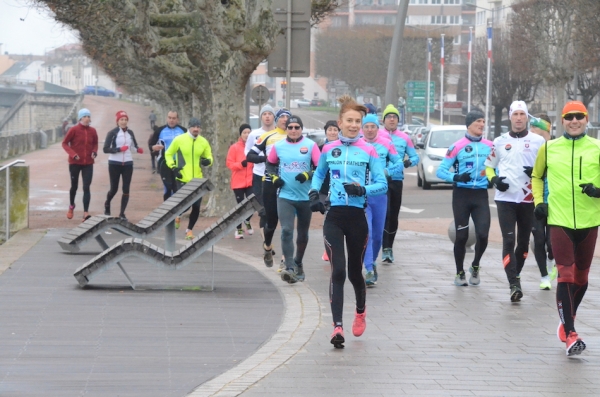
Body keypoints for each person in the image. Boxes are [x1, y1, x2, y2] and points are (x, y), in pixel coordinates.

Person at [309, 95, 388, 348]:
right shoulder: (328, 149)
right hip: (334, 217)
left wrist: (363, 190)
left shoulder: (369, 150)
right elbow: (319, 174)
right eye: (350, 121)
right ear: (340, 122)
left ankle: (361, 311)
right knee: (338, 271)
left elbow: (382, 185)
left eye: (359, 121)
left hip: (357, 218)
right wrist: (314, 194)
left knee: (355, 272)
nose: (354, 125)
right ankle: (337, 327)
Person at [532, 100, 600, 356]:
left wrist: (598, 191)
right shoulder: (549, 148)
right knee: (566, 275)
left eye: (579, 116)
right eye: (569, 117)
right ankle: (571, 334)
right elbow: (537, 176)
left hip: (589, 221)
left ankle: (566, 320)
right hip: (559, 220)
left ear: (586, 119)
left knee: (582, 279)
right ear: (562, 121)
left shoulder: (597, 147)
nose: (574, 121)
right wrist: (540, 202)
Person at [484, 100, 545, 302]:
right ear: (510, 117)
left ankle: (516, 274)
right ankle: (513, 284)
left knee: (524, 244)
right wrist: (494, 180)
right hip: (506, 199)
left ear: (527, 117)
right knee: (508, 240)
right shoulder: (499, 141)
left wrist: (538, 172)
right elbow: (489, 166)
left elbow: (548, 168)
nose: (519, 118)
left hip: (529, 199)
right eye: (515, 114)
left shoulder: (538, 141)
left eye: (522, 114)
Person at [436, 110, 493, 286]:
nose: (482, 125)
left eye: (483, 121)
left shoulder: (490, 146)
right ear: (469, 124)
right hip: (462, 194)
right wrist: (457, 177)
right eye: (478, 121)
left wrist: (494, 178)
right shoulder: (457, 146)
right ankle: (459, 272)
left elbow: (497, 167)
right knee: (461, 236)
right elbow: (441, 171)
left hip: (481, 194)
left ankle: (475, 266)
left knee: (483, 235)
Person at [266, 115, 320, 283]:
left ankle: (298, 262)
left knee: (302, 234)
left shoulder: (311, 146)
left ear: (301, 129)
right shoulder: (279, 146)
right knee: (287, 230)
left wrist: (307, 174)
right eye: (290, 127)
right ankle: (289, 267)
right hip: (285, 196)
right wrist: (274, 178)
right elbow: (269, 164)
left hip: (305, 197)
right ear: (286, 129)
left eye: (297, 127)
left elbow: (320, 168)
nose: (294, 130)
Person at [361, 114, 402, 287]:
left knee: (377, 235)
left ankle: (373, 261)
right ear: (362, 129)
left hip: (379, 194)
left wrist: (386, 172)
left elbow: (398, 163)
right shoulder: (357, 145)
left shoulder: (386, 143)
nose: (370, 130)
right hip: (361, 194)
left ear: (378, 128)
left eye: (373, 126)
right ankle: (368, 268)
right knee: (367, 232)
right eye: (366, 127)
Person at [247, 108, 290, 268]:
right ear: (277, 120)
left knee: (288, 224)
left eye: (288, 117)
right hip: (269, 181)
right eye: (282, 117)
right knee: (271, 220)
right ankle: (267, 246)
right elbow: (249, 156)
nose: (285, 120)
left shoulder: (295, 136)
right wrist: (268, 159)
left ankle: (287, 261)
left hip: (289, 184)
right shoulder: (267, 136)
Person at [381, 104, 419, 264]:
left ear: (398, 120)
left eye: (394, 117)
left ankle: (389, 247)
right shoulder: (377, 135)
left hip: (396, 180)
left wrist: (409, 162)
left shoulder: (404, 138)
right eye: (388, 117)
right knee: (385, 213)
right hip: (380, 180)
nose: (391, 119)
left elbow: (415, 156)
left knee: (393, 215)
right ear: (383, 120)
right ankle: (383, 246)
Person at [165, 117, 213, 240]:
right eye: (194, 127)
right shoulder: (179, 140)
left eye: (198, 127)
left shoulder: (203, 142)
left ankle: (189, 230)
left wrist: (208, 161)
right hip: (182, 177)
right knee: (186, 204)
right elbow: (168, 153)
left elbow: (209, 156)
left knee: (196, 206)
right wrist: (173, 167)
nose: (196, 129)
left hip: (197, 179)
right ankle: (178, 215)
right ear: (189, 127)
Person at [529, 113, 557, 289]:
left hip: (555, 202)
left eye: (537, 131)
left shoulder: (557, 147)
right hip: (535, 201)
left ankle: (551, 260)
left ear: (547, 129)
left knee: (551, 243)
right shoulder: (529, 146)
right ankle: (544, 276)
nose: (532, 133)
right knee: (538, 239)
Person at [102, 111, 144, 220]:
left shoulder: (130, 133)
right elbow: (105, 149)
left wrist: (138, 150)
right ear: (117, 121)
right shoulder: (112, 133)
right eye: (121, 120)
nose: (124, 122)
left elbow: (133, 147)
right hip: (114, 163)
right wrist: (118, 149)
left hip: (128, 164)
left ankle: (122, 213)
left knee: (126, 189)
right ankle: (107, 203)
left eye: (125, 119)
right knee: (114, 189)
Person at [62, 108, 98, 221]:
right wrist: (73, 154)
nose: (87, 118)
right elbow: (64, 143)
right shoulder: (74, 129)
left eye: (88, 116)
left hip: (88, 163)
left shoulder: (93, 131)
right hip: (75, 163)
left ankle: (86, 212)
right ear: (80, 118)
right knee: (74, 186)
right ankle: (71, 206)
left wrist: (94, 152)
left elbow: (95, 143)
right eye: (85, 116)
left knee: (86, 187)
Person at [245, 105, 276, 237]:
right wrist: (263, 159)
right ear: (261, 117)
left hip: (275, 176)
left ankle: (269, 237)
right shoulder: (254, 134)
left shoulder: (279, 134)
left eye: (270, 114)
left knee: (274, 211)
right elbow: (247, 153)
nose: (267, 116)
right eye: (264, 114)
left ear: (274, 117)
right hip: (259, 175)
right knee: (263, 210)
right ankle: (265, 242)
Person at [149, 111, 186, 203]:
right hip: (164, 163)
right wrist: (153, 147)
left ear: (178, 119)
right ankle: (167, 212)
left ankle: (176, 213)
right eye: (169, 118)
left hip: (179, 163)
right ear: (167, 118)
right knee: (168, 187)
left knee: (178, 188)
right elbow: (151, 144)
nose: (171, 120)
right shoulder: (160, 130)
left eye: (174, 118)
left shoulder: (184, 131)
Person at [226, 123, 255, 239]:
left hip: (251, 181)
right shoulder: (234, 147)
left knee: (253, 204)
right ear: (240, 134)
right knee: (240, 206)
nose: (247, 135)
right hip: (238, 182)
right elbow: (229, 163)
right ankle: (238, 229)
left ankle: (247, 220)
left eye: (249, 132)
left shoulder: (255, 147)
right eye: (244, 133)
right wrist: (240, 164)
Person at [319, 120, 340, 262]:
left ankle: (333, 249)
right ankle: (328, 249)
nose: (332, 132)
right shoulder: (319, 148)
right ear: (325, 131)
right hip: (323, 189)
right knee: (328, 219)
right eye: (330, 129)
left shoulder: (342, 148)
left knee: (335, 219)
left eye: (335, 130)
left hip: (338, 190)